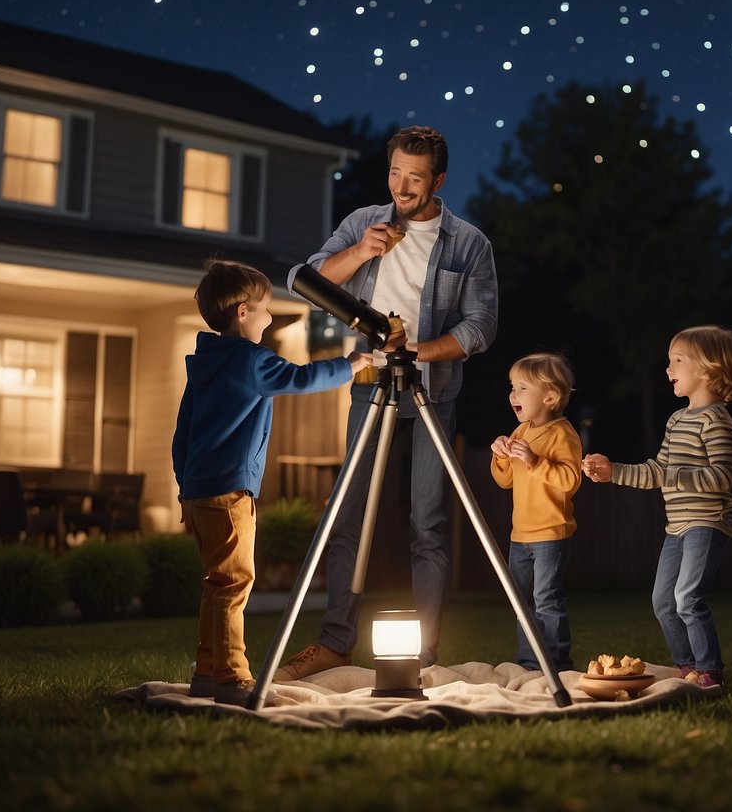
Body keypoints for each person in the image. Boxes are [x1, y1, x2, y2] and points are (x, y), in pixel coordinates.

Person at [277, 126, 499, 679]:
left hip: (434, 392)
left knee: (428, 523)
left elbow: (482, 327)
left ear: (438, 180)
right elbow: (304, 279)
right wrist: (359, 252)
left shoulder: (469, 243)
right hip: (369, 385)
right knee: (347, 514)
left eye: (415, 177)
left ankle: (422, 656)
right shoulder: (362, 222)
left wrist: (420, 350)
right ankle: (333, 643)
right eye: (396, 172)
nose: (402, 185)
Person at [172, 260, 371, 707]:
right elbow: (298, 378)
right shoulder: (252, 360)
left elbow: (181, 434)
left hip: (201, 491)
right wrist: (350, 364)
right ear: (243, 312)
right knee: (234, 584)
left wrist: (185, 487)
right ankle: (231, 676)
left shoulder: (205, 363)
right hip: (230, 492)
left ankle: (207, 671)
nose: (270, 317)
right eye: (265, 309)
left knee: (216, 582)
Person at [583, 325, 732, 690]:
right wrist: (614, 472)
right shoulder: (676, 420)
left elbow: (722, 476)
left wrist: (673, 475)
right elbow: (657, 471)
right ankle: (686, 667)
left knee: (688, 597)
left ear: (706, 369)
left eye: (677, 361)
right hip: (676, 528)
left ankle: (710, 670)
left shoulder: (716, 419)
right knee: (663, 601)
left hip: (707, 523)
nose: (668, 369)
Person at [490, 353, 582, 672]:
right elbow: (504, 480)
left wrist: (534, 462)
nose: (513, 394)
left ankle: (556, 661)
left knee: (547, 600)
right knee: (522, 603)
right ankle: (531, 662)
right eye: (512, 387)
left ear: (550, 397)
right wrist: (502, 455)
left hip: (550, 534)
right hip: (520, 535)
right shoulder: (521, 432)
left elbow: (570, 480)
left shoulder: (562, 433)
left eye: (522, 388)